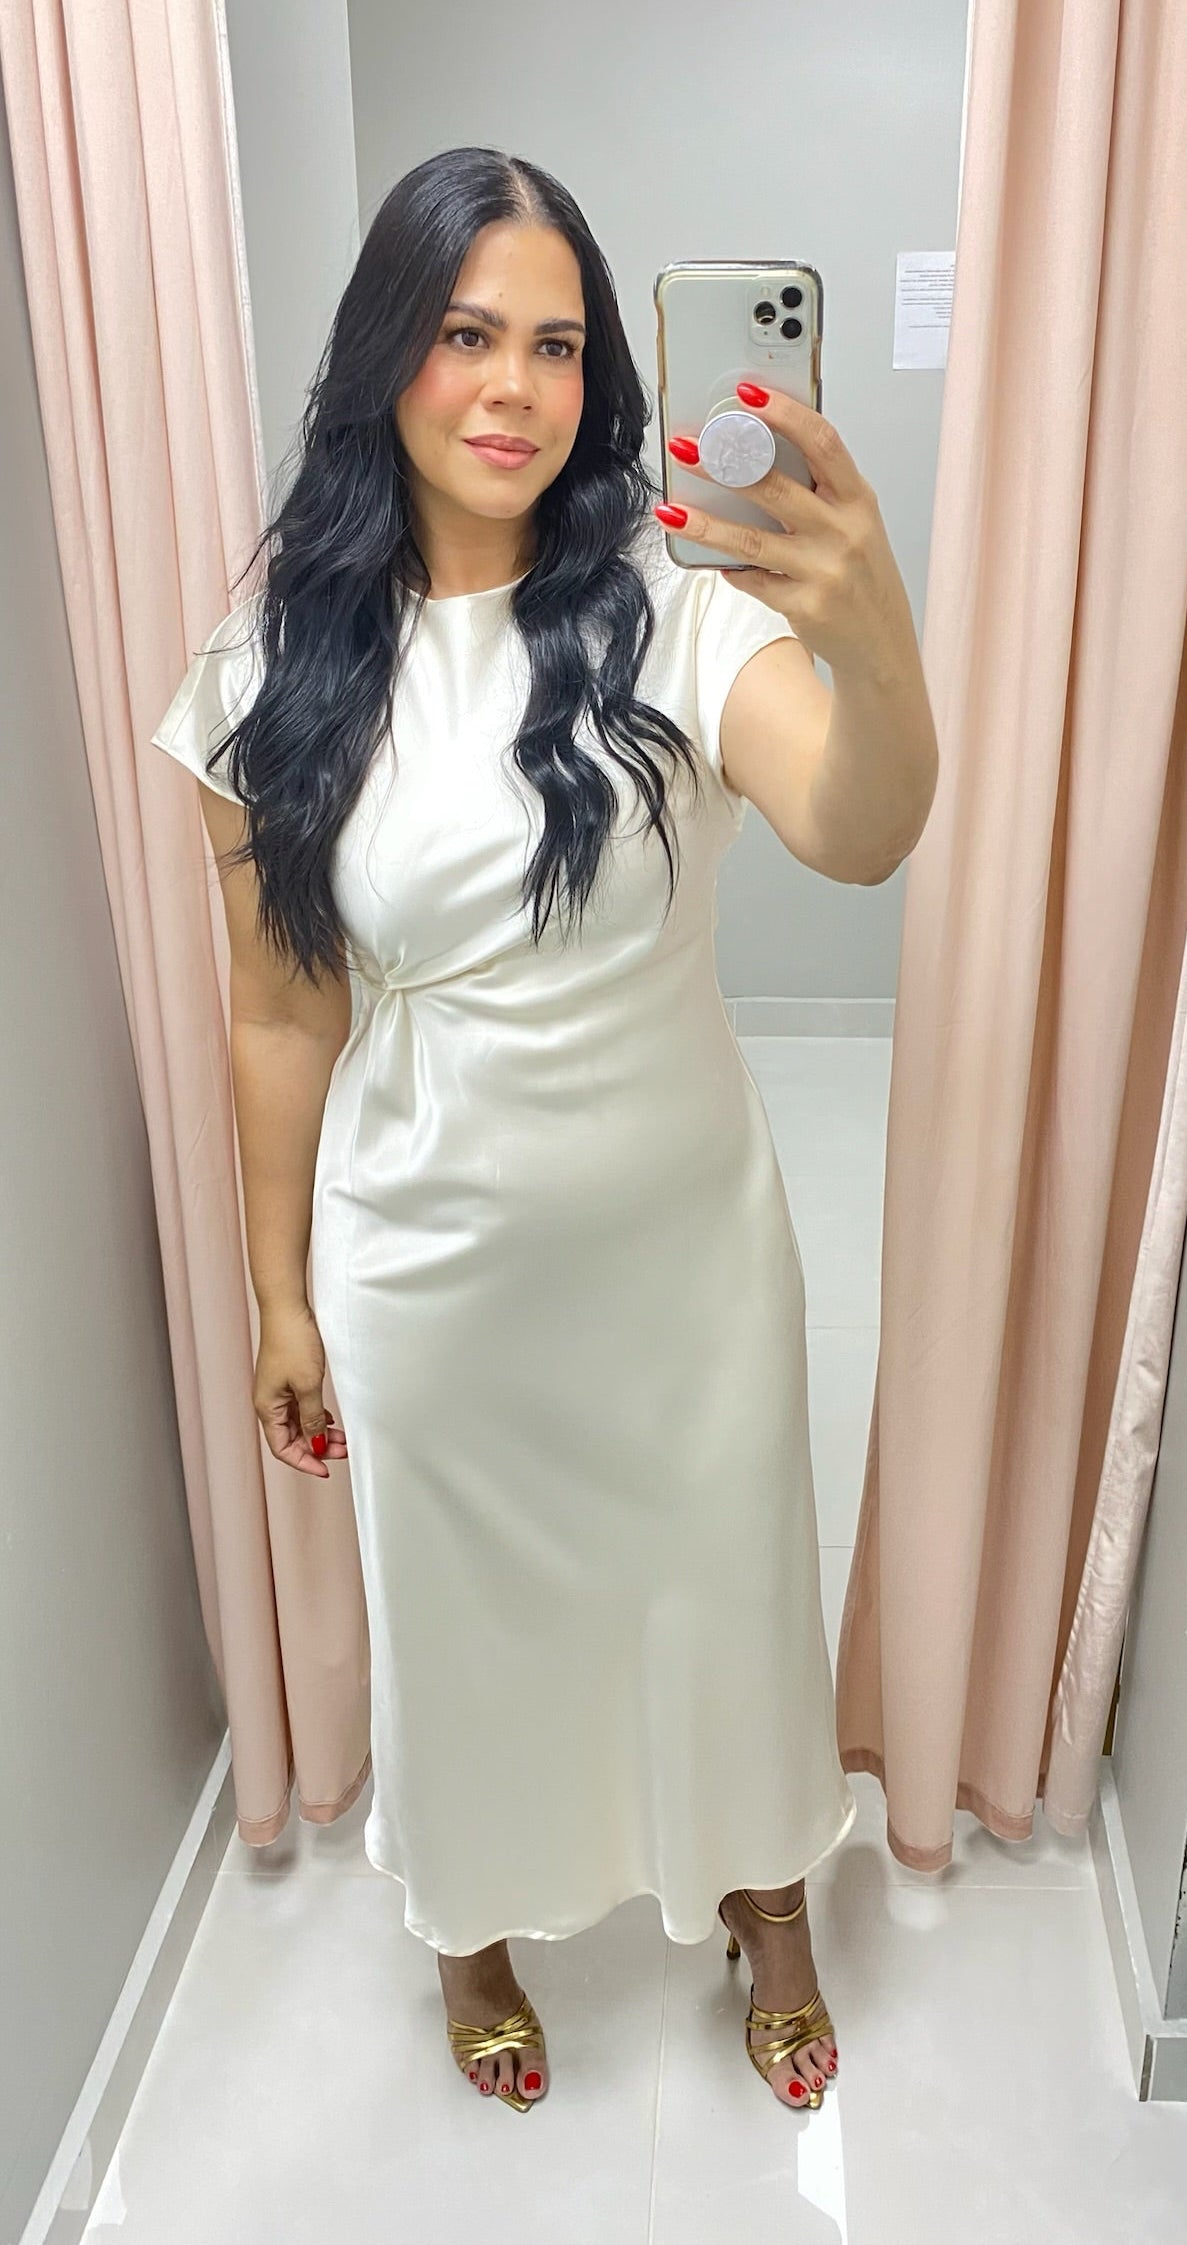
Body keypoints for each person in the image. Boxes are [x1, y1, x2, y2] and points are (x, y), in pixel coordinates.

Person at [151, 146, 934, 2119]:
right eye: (465, 333)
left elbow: (860, 830)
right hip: (426, 1256)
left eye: (561, 344)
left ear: (606, 375)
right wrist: (277, 1289)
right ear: (384, 357)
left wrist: (872, 633)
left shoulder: (675, 612)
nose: (514, 386)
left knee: (722, 1584)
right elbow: (280, 1007)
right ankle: (474, 1925)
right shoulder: (269, 673)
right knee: (467, 1623)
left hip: (682, 1252)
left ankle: (768, 1897)